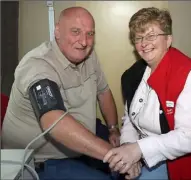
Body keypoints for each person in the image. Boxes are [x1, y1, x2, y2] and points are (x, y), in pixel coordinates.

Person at [103, 7, 191, 180]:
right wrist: (129, 149)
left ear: (168, 39)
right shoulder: (132, 75)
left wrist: (138, 150)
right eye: (138, 38)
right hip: (145, 152)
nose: (144, 43)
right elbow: (130, 120)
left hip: (184, 162)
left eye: (151, 36)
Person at [2, 7, 121, 180]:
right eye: (76, 31)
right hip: (43, 159)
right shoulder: (37, 65)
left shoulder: (89, 56)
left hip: (82, 136)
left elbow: (103, 92)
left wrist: (113, 129)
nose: (84, 42)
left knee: (129, 155)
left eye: (90, 34)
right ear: (57, 32)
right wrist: (112, 154)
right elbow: (55, 122)